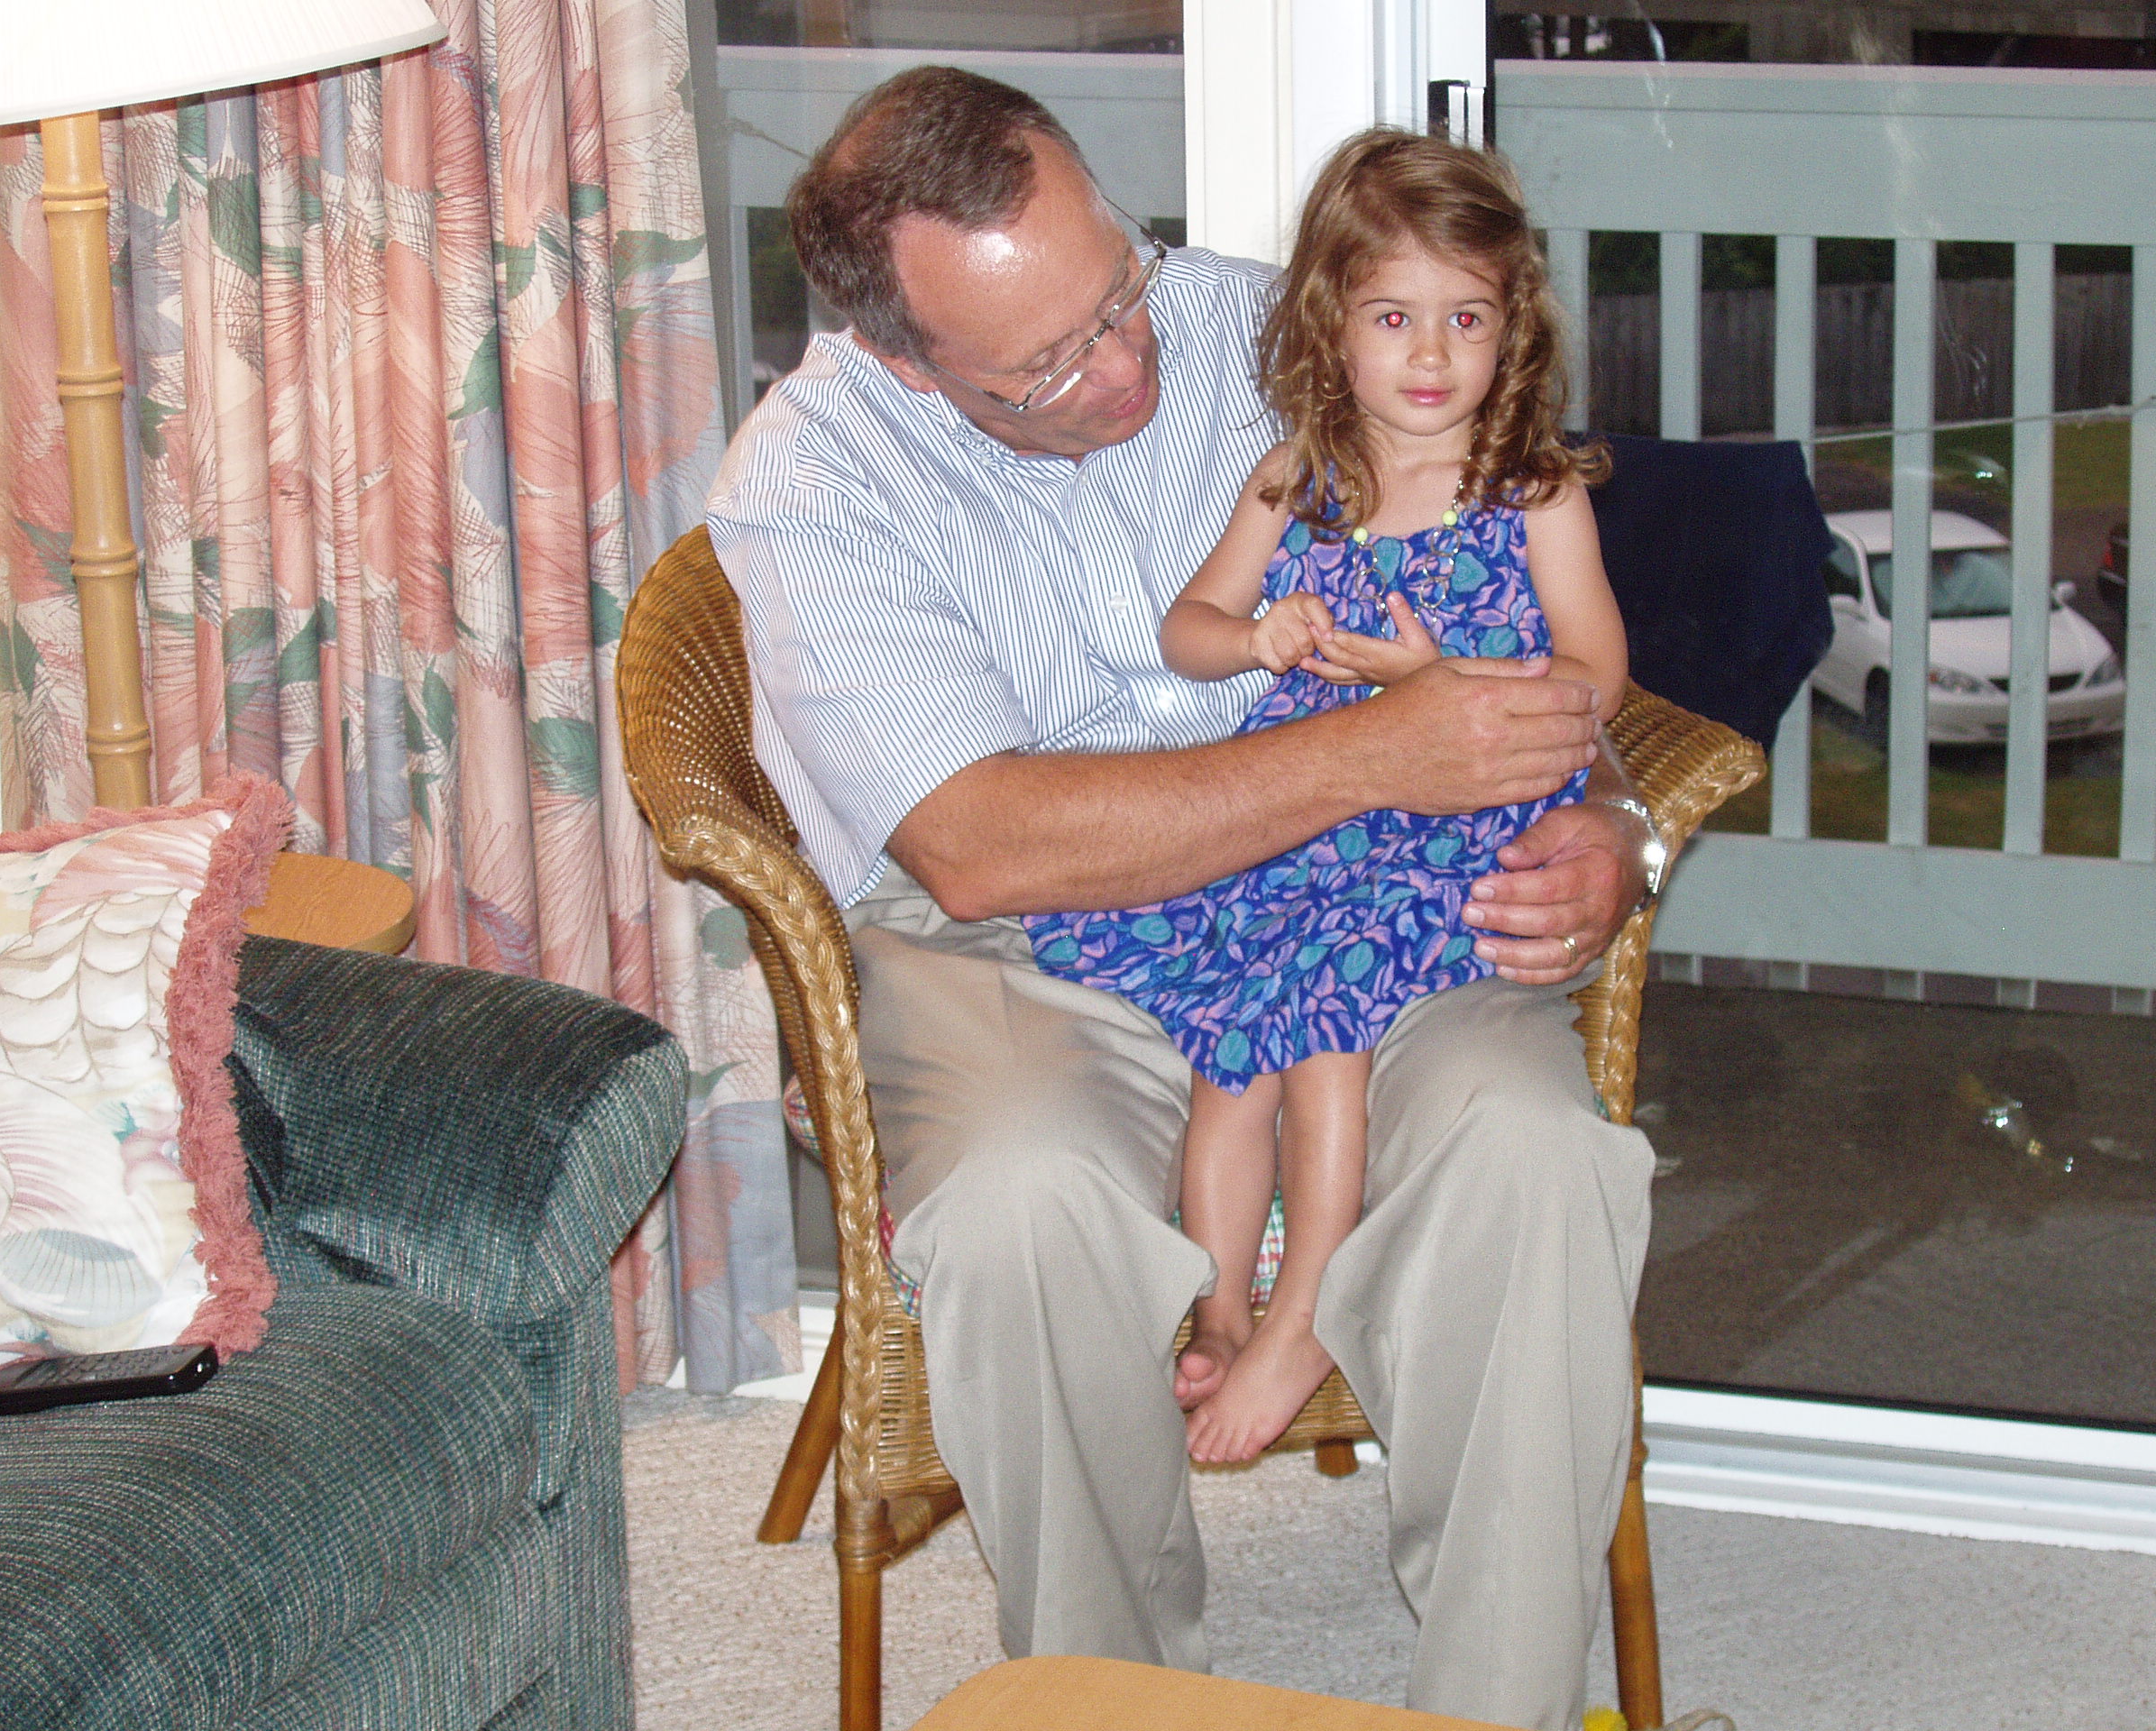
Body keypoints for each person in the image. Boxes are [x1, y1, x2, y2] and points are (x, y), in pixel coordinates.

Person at [709, 66, 1665, 1731]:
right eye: (1046, 363)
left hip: (1369, 892)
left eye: (1119, 291)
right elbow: (978, 844)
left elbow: (1538, 628)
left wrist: (1612, 821)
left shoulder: (1281, 328)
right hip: (1015, 937)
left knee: (1538, 1157)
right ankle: (1107, 1699)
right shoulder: (812, 481)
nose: (1126, 363)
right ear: (907, 357)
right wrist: (1372, 749)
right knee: (1023, 1206)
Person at [1023, 129, 1628, 1468]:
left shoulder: (1528, 494)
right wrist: (1260, 638)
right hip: (1297, 818)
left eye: (1467, 318)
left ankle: (1308, 1314)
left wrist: (1437, 678)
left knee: (1325, 1025)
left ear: (1512, 330)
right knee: (1230, 1061)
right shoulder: (1298, 478)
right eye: (1394, 318)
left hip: (1444, 832)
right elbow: (1188, 630)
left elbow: (1597, 679)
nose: (1432, 354)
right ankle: (1221, 1310)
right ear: (1331, 327)